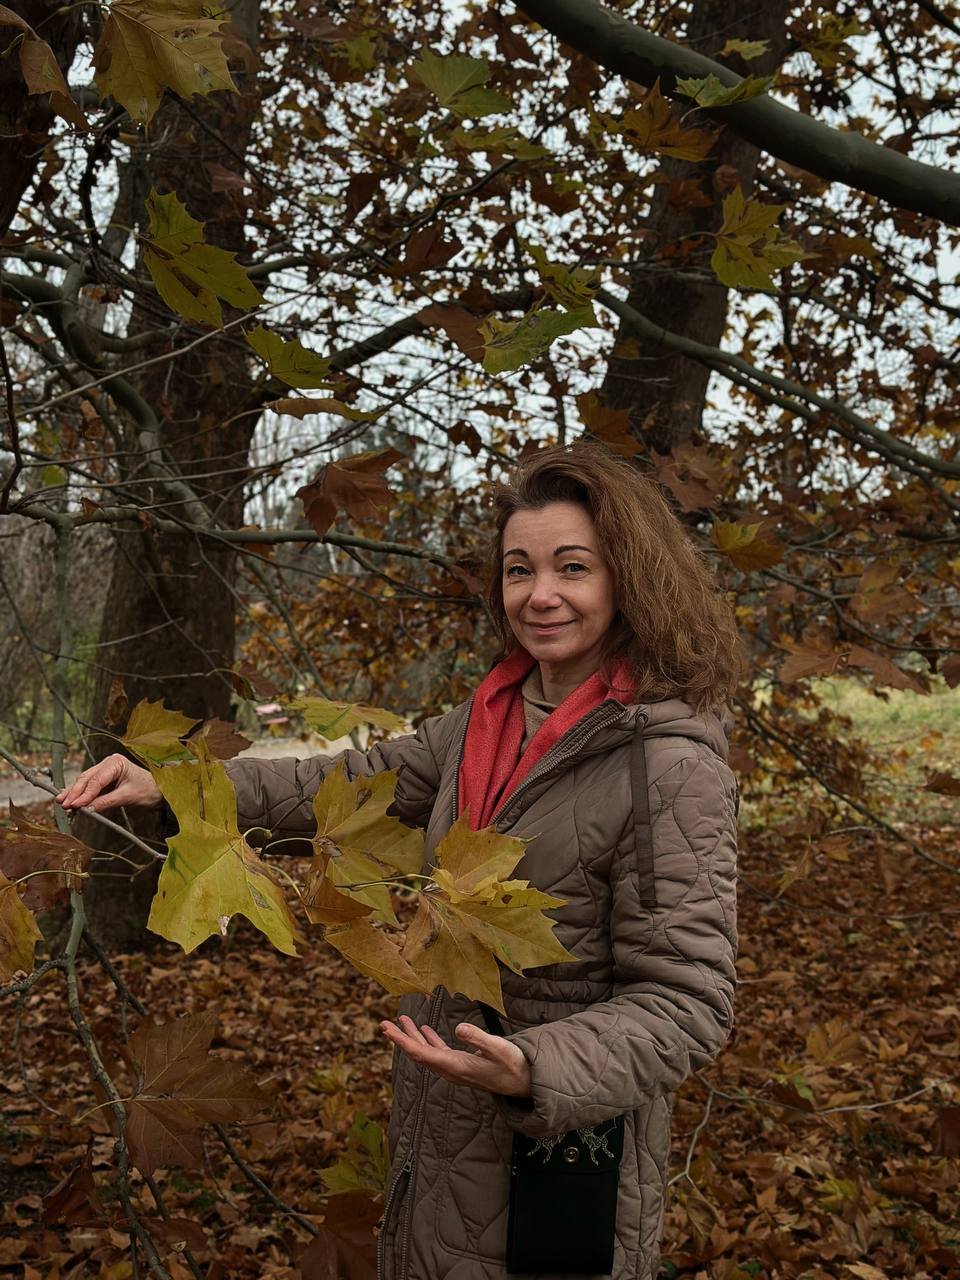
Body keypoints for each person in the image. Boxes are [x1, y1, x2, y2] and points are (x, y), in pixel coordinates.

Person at [57, 442, 742, 1280]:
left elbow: (688, 1002)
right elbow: (340, 787)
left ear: (629, 577)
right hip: (440, 1131)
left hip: (560, 1165)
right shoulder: (482, 721)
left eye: (573, 567)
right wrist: (172, 784)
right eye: (518, 570)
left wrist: (537, 1067)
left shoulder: (669, 767)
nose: (540, 594)